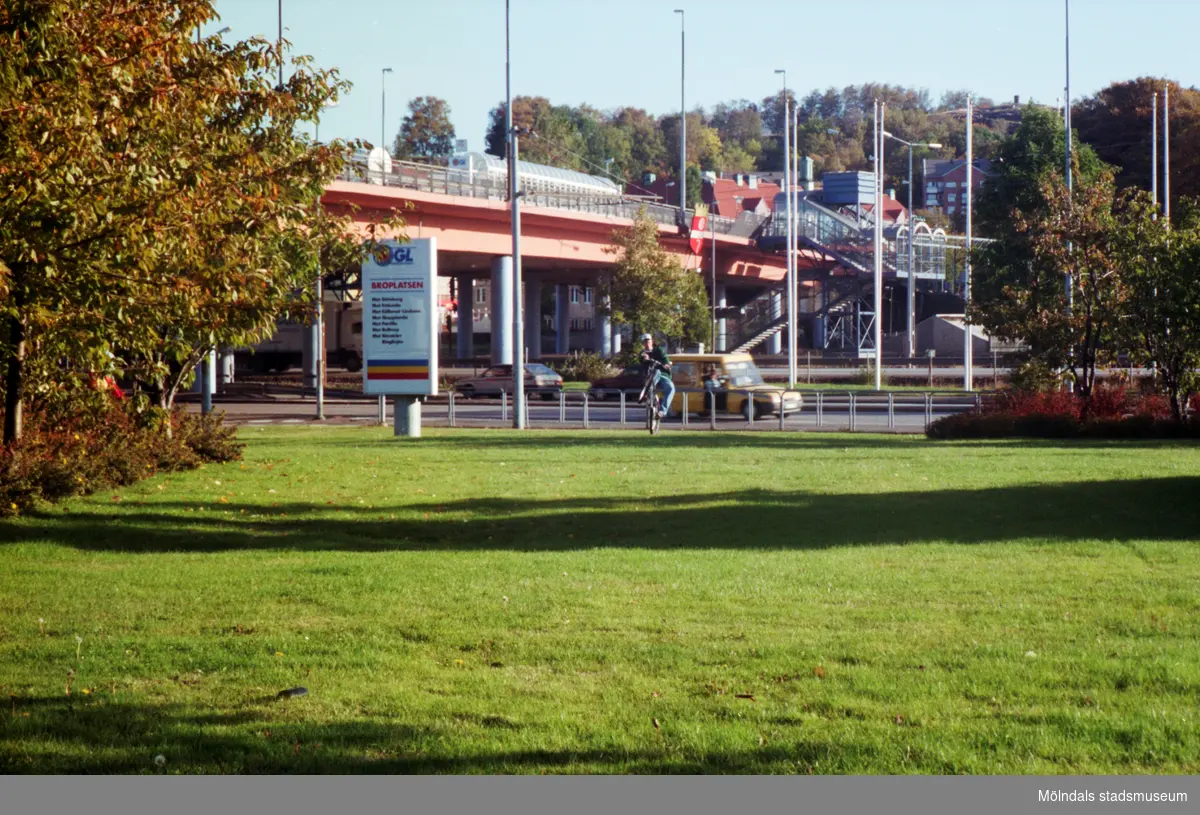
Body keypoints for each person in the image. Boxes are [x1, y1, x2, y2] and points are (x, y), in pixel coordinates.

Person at [638, 333, 674, 418]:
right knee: (655, 371)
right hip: (649, 376)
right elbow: (642, 358)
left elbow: (666, 360)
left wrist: (666, 365)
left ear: (652, 341)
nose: (647, 343)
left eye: (648, 341)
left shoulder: (659, 350)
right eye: (645, 342)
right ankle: (647, 392)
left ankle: (662, 411)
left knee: (671, 388)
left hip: (663, 375)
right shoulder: (642, 353)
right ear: (642, 343)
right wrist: (645, 358)